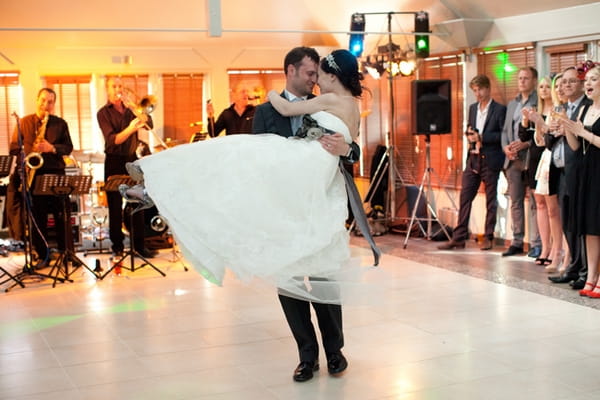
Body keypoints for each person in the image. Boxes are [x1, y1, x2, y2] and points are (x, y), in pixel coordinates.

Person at [120, 48, 376, 382]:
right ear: (291, 70)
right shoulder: (267, 112)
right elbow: (255, 167)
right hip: (282, 205)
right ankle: (307, 356)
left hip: (321, 200)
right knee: (290, 280)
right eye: (309, 73)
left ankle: (335, 351)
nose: (314, 80)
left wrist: (347, 149)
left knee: (325, 278)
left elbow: (352, 147)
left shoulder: (327, 100)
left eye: (319, 74)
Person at [438, 74, 506, 251]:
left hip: (490, 158)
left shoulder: (499, 109)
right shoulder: (473, 108)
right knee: (465, 197)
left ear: (488, 88)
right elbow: (472, 128)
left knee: (491, 200)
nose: (478, 94)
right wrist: (470, 135)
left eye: (480, 89)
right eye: (475, 91)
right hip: (474, 158)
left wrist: (482, 137)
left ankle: (489, 236)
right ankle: (459, 238)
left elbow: (502, 135)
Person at [7, 88, 74, 266]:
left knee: (62, 216)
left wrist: (51, 148)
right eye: (43, 100)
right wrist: (29, 152)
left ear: (54, 104)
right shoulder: (23, 122)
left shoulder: (60, 123)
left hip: (56, 173)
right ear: (37, 100)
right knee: (38, 217)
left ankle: (66, 253)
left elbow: (68, 147)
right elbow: (13, 148)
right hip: (34, 175)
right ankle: (43, 255)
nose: (46, 105)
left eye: (50, 102)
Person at [97, 76, 157, 259]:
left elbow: (149, 125)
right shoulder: (103, 113)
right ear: (108, 90)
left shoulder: (132, 110)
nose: (118, 89)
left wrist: (135, 108)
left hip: (132, 160)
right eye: (114, 86)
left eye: (120, 86)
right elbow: (113, 140)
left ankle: (139, 246)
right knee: (115, 206)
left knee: (137, 203)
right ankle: (117, 247)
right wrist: (131, 129)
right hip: (114, 160)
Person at [547, 65, 592, 289]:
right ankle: (573, 266)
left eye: (571, 81)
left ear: (583, 84)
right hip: (562, 171)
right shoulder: (564, 107)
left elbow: (578, 144)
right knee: (568, 222)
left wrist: (566, 127)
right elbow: (549, 144)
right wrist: (551, 129)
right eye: (563, 82)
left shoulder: (587, 106)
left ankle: (585, 270)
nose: (565, 85)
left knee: (581, 221)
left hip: (580, 170)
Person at [561, 63, 600, 297]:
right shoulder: (585, 110)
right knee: (590, 228)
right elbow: (576, 146)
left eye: (594, 79)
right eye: (587, 80)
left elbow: (590, 138)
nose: (588, 84)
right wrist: (568, 126)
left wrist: (584, 132)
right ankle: (592, 275)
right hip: (586, 171)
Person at [520, 76, 564, 271]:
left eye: (549, 86)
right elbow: (534, 139)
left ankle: (558, 250)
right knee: (539, 204)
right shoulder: (536, 109)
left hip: (555, 158)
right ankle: (545, 248)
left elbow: (550, 139)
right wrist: (529, 120)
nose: (545, 90)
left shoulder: (558, 110)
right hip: (539, 158)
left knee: (555, 208)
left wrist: (540, 122)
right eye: (542, 86)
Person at [500, 66, 540, 257]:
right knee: (515, 202)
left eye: (526, 78)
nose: (522, 81)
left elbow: (541, 132)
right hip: (512, 160)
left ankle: (536, 243)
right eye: (520, 78)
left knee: (535, 203)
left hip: (531, 158)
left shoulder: (538, 102)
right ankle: (517, 241)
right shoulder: (512, 104)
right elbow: (505, 131)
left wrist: (525, 144)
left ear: (534, 80)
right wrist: (506, 148)